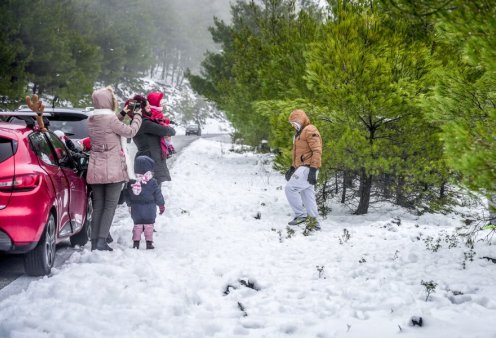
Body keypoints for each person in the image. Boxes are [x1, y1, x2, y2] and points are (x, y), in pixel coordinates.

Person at [87, 87, 143, 251]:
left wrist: (124, 113)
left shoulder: (91, 119)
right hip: (112, 169)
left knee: (98, 206)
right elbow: (130, 132)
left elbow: (110, 125)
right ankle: (102, 241)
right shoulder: (111, 120)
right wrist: (137, 115)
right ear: (108, 101)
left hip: (95, 168)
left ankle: (94, 241)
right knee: (110, 206)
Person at [284, 109, 323, 231]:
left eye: (295, 122)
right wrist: (292, 168)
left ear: (301, 120)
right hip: (302, 167)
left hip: (308, 168)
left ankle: (300, 215)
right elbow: (298, 154)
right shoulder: (299, 133)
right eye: (291, 123)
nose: (293, 125)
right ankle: (314, 222)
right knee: (307, 194)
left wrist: (313, 169)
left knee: (290, 188)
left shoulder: (310, 130)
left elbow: (317, 150)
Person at [130, 95, 176, 186]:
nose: (150, 108)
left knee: (148, 190)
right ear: (141, 108)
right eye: (147, 107)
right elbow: (169, 131)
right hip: (151, 160)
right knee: (153, 191)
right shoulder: (145, 123)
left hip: (146, 158)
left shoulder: (136, 122)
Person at [125, 155, 165, 249]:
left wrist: (129, 204)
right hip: (149, 208)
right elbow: (158, 194)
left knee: (137, 225)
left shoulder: (132, 181)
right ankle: (149, 243)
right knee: (149, 226)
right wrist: (161, 205)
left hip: (136, 209)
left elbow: (127, 194)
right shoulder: (152, 181)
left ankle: (136, 243)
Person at [147, 91, 177, 158]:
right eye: (159, 101)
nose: (160, 103)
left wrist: (169, 121)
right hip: (159, 125)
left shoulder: (157, 110)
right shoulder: (153, 110)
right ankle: (167, 150)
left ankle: (169, 148)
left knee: (167, 138)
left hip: (161, 124)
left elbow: (162, 118)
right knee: (164, 139)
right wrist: (161, 123)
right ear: (155, 102)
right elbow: (155, 118)